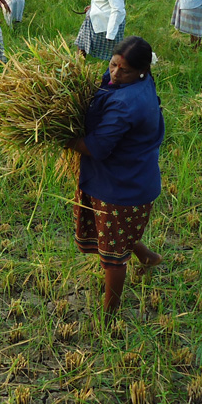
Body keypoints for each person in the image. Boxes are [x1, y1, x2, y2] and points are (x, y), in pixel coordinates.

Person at [65, 36, 164, 312]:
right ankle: (148, 257)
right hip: (119, 176)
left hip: (122, 186)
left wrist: (60, 135)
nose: (115, 74)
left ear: (142, 71)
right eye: (113, 65)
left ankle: (109, 315)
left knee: (113, 257)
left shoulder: (127, 103)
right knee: (118, 233)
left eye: (125, 70)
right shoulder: (137, 80)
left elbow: (95, 148)